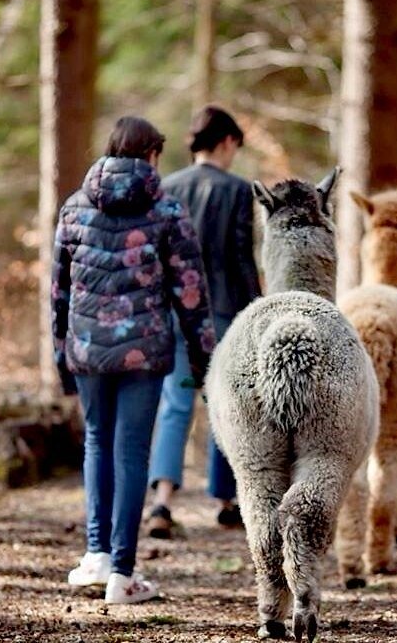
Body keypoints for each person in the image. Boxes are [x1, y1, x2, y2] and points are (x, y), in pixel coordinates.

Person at [52, 116, 216, 604]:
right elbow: (191, 291)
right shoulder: (167, 209)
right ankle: (122, 575)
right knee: (130, 453)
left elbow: (58, 292)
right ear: (150, 155)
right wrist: (205, 357)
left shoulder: (74, 207)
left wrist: (59, 355)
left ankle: (96, 556)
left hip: (86, 349)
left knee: (97, 443)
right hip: (144, 349)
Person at [144, 105, 261, 538]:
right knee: (224, 405)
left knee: (175, 403)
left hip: (176, 311)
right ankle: (226, 499)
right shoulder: (238, 190)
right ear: (227, 142)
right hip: (225, 311)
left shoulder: (167, 187)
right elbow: (240, 257)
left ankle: (162, 502)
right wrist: (257, 311)